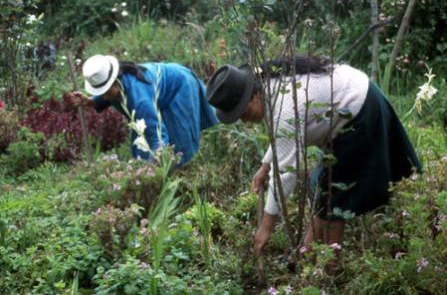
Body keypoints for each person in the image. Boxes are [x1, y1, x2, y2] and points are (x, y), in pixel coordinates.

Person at [206, 56, 422, 257]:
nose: (244, 120)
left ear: (253, 95)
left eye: (243, 113)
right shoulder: (270, 89)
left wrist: (265, 229)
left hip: (360, 110)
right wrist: (265, 165)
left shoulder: (283, 102)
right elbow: (283, 137)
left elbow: (285, 174)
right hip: (353, 103)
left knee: (334, 196)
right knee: (319, 184)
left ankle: (329, 266)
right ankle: (308, 254)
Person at [66, 54, 218, 166]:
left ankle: (186, 177)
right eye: (101, 94)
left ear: (116, 81)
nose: (105, 97)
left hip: (179, 86)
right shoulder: (118, 86)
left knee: (179, 140)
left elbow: (155, 132)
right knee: (141, 146)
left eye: (106, 92)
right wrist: (90, 101)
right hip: (157, 93)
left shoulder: (140, 100)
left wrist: (158, 158)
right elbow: (107, 95)